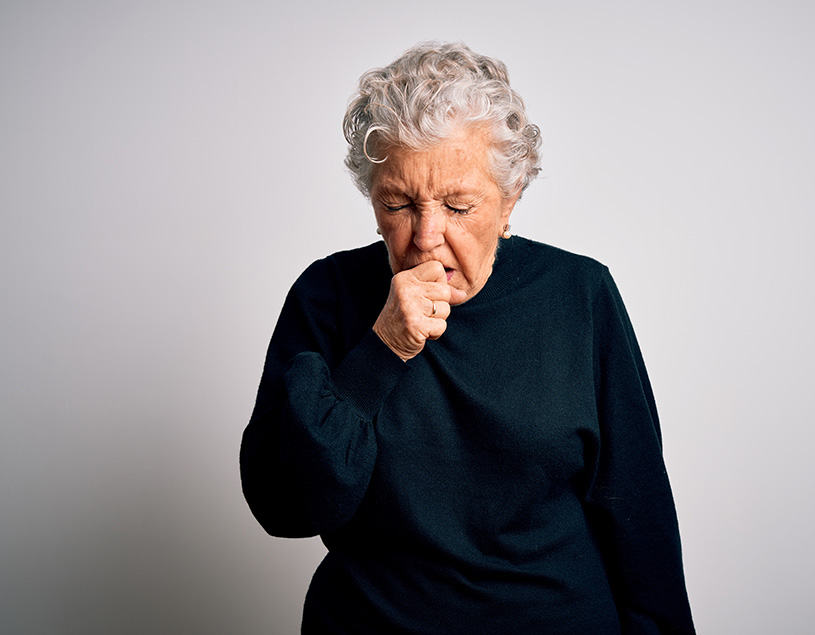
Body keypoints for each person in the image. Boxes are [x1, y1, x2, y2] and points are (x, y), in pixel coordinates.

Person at [240, 42, 695, 634]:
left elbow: (638, 508)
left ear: (509, 202)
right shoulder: (326, 296)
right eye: (398, 203)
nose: (426, 236)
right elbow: (284, 507)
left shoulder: (580, 294)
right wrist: (382, 350)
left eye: (458, 206)